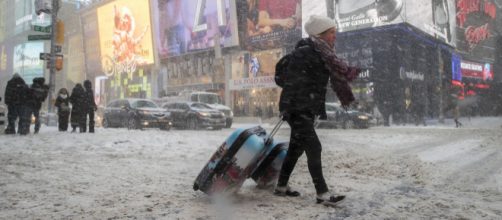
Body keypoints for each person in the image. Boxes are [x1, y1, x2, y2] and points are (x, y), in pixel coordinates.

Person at [275, 15, 360, 207]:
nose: (334, 37)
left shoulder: (322, 53)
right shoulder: (305, 52)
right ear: (320, 34)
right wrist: (291, 108)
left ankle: (281, 186)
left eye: (334, 33)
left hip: (305, 108)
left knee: (296, 148)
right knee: (314, 147)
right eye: (331, 33)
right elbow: (291, 82)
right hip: (298, 108)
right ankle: (322, 192)